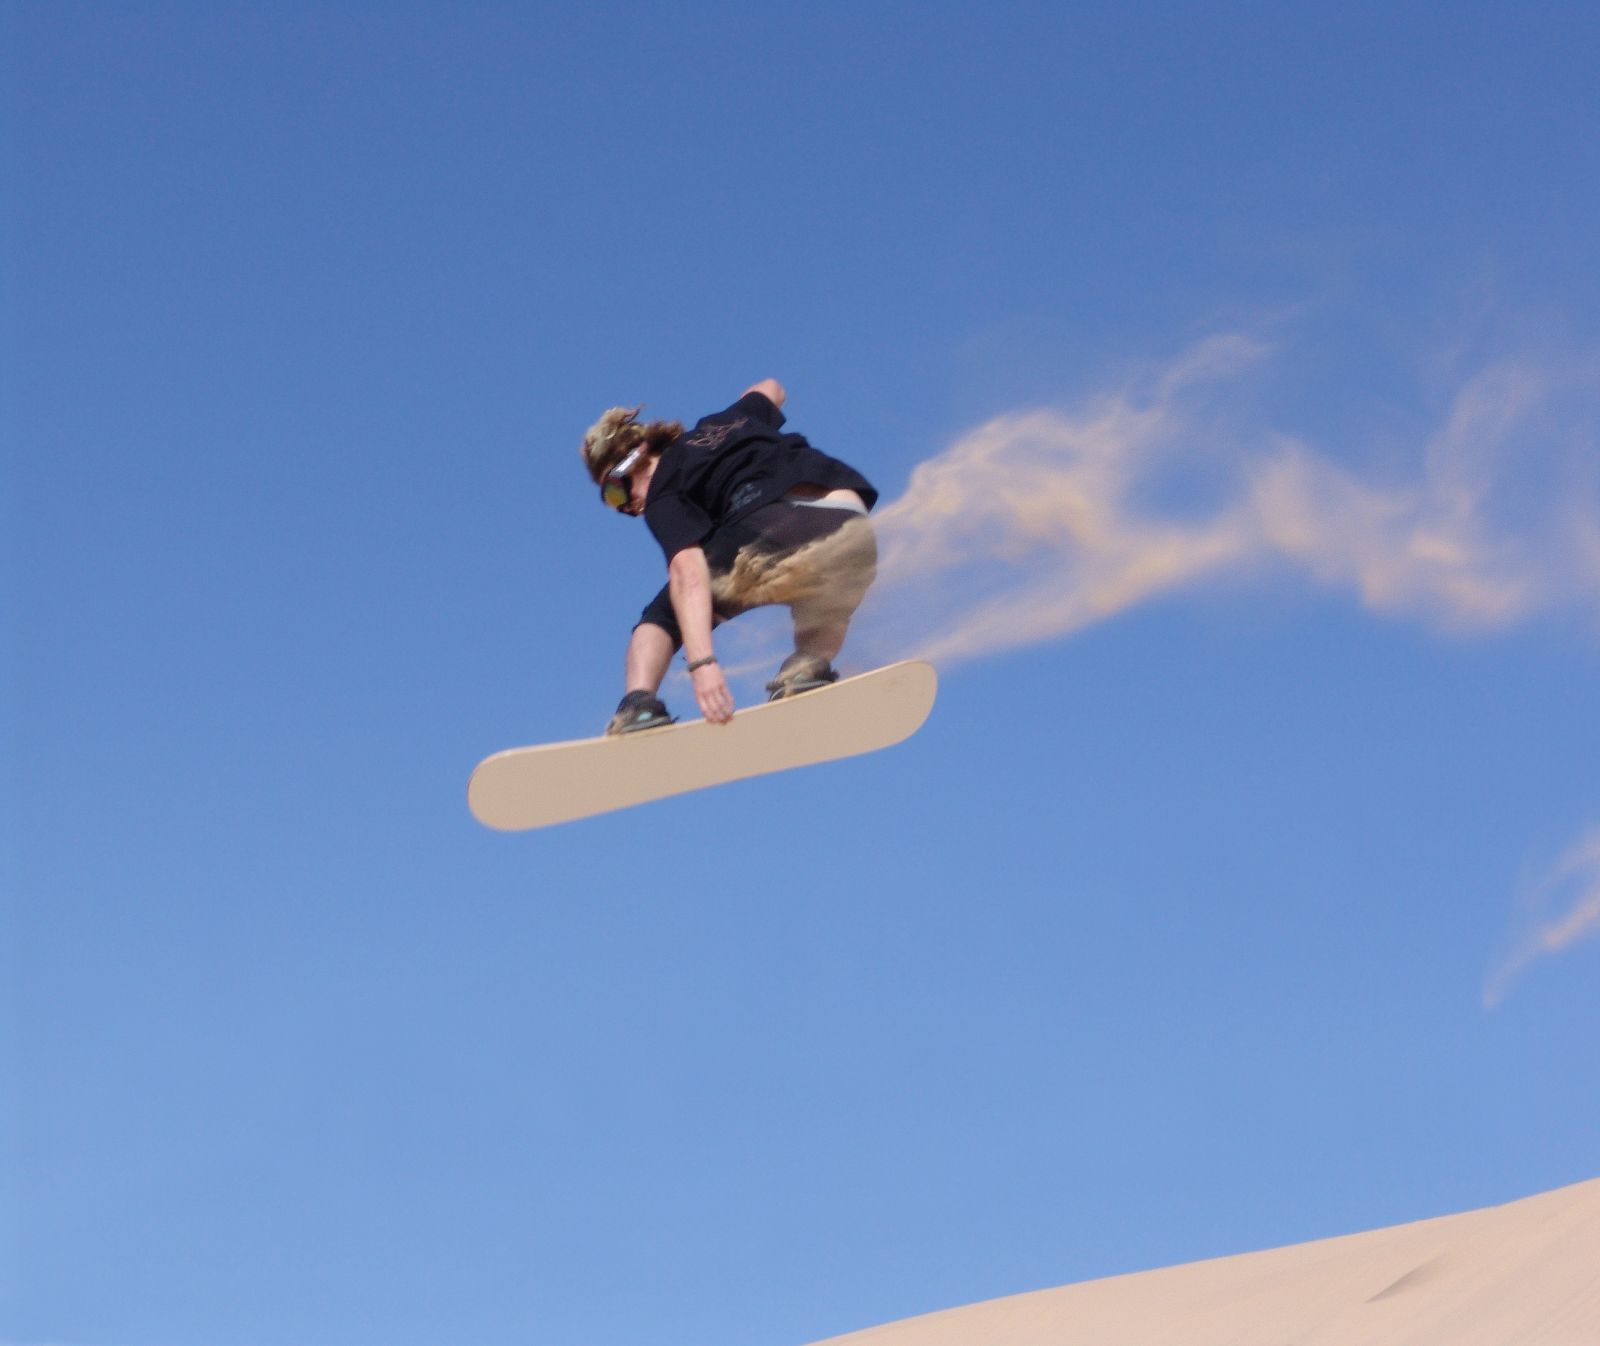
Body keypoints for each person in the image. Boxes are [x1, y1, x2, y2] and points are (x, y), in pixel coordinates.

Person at [579, 379, 879, 735]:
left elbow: (687, 572)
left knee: (661, 618)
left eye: (615, 492)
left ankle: (638, 706)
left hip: (772, 524)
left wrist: (703, 664)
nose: (628, 508)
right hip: (851, 528)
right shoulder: (727, 421)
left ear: (638, 455)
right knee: (823, 594)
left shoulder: (664, 487)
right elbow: (771, 388)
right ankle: (806, 668)